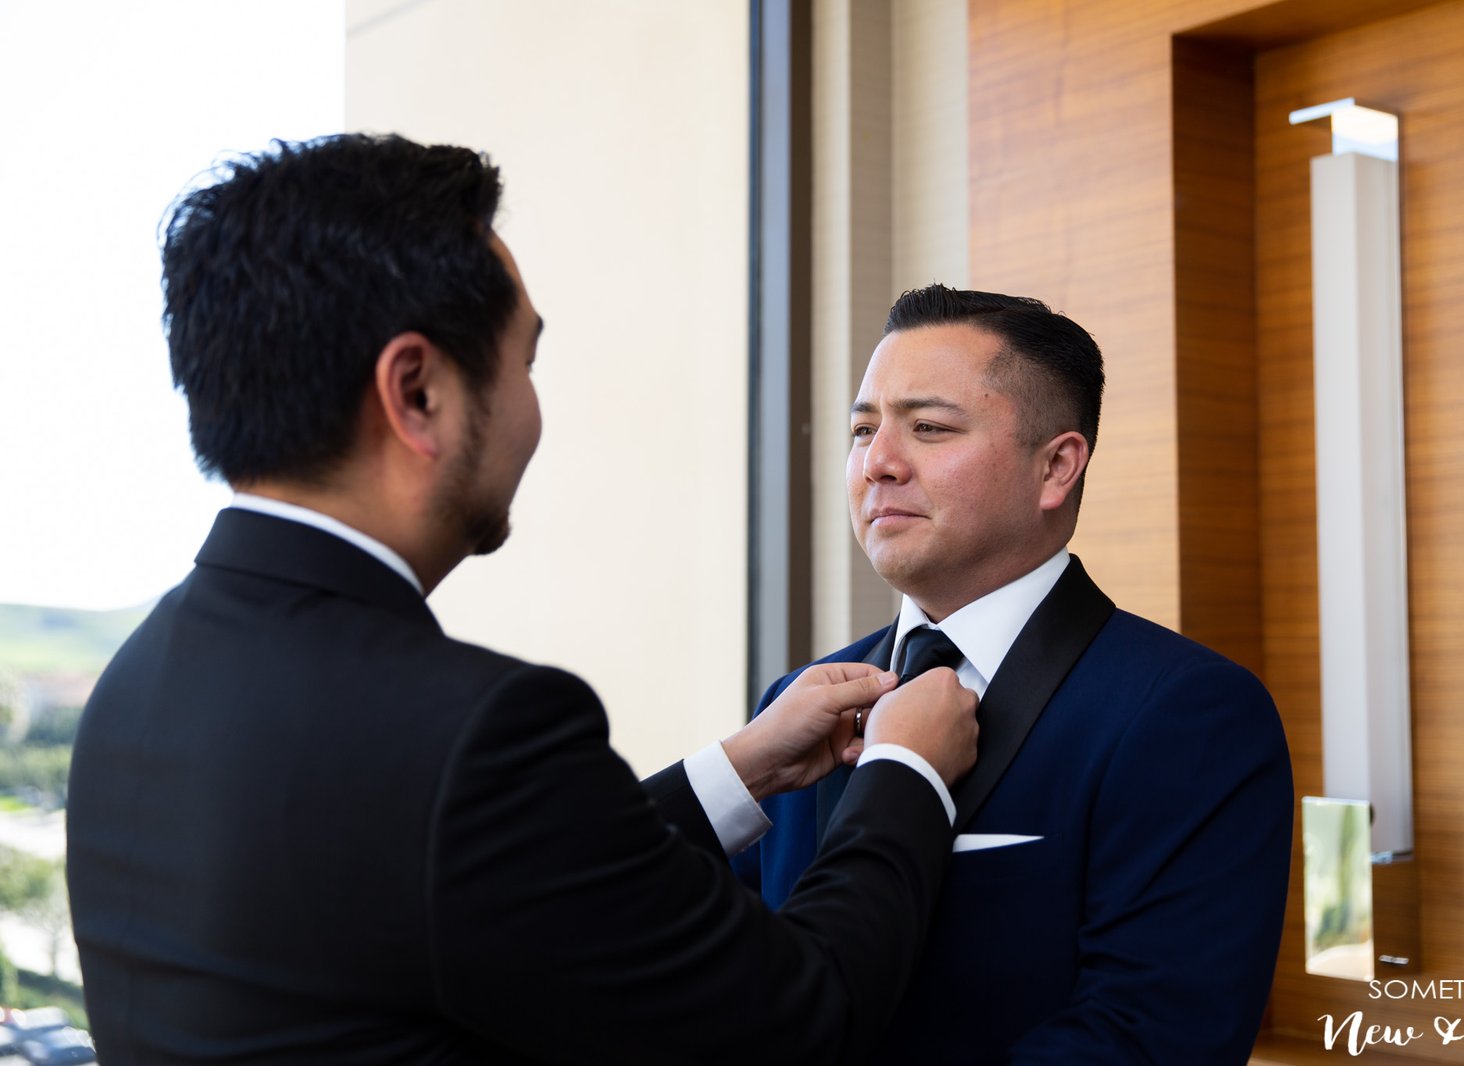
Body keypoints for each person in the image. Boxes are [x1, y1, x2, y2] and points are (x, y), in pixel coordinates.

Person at [65, 135, 979, 1064]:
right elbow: (799, 1024)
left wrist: (735, 771)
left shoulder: (135, 684)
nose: (533, 413)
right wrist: (904, 771)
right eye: (523, 364)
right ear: (417, 391)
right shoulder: (478, 734)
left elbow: (483, 886)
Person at [734, 285, 1294, 1064]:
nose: (877, 464)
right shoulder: (795, 705)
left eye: (928, 427)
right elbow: (721, 979)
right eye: (862, 430)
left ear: (1056, 466)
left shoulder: (1188, 712)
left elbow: (1151, 1037)